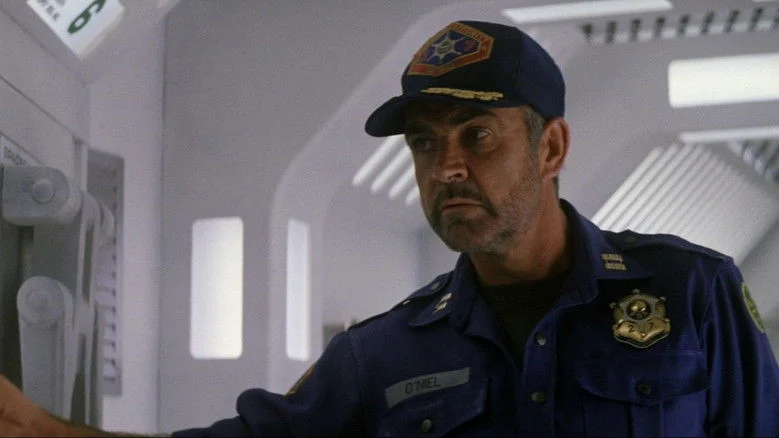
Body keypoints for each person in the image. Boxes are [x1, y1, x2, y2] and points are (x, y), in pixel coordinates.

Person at [2, 19, 778, 437]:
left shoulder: (690, 293)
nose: (446, 167)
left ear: (549, 148)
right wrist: (45, 433)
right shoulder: (381, 353)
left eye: (477, 136)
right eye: (424, 143)